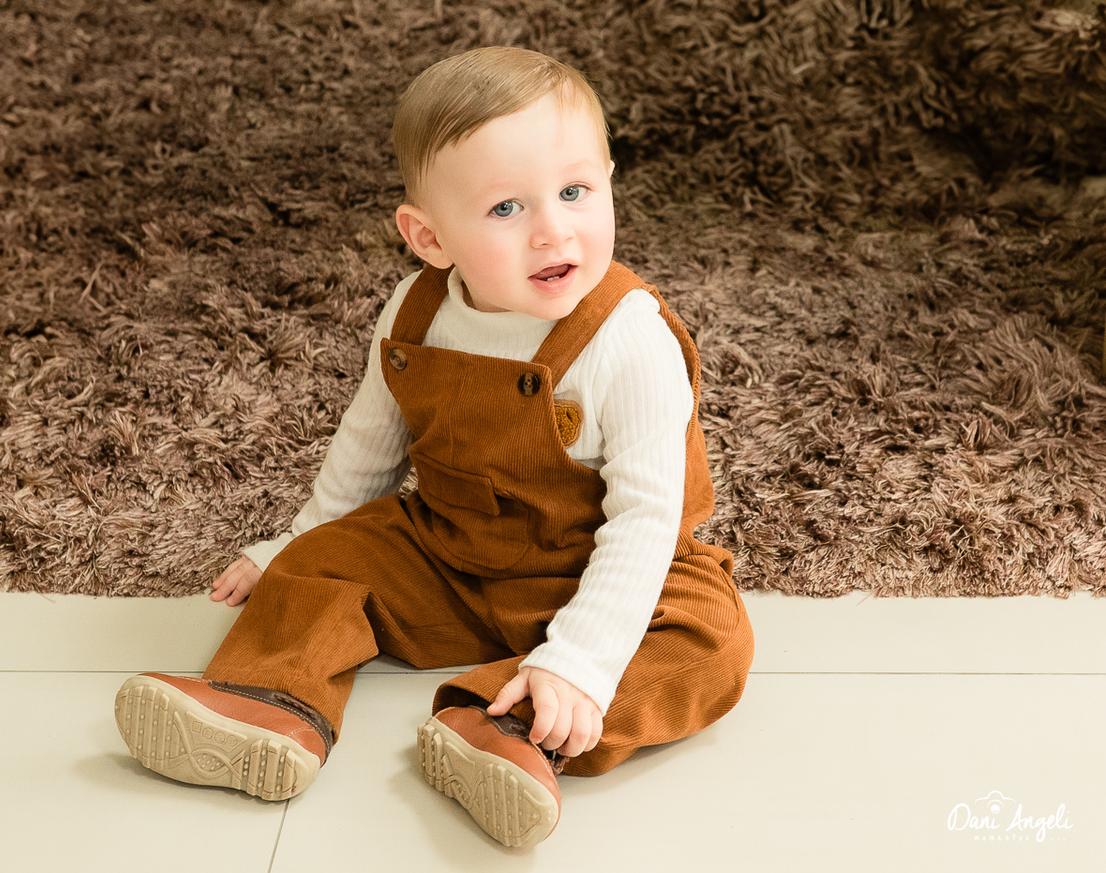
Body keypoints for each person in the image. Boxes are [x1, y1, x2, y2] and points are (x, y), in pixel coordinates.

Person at [114, 45, 754, 849]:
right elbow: (369, 442)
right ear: (429, 236)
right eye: (506, 208)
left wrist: (581, 659)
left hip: (602, 565)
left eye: (575, 191)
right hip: (451, 553)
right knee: (328, 557)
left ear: (608, 180)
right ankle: (270, 700)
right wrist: (295, 542)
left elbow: (645, 520)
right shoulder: (415, 314)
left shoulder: (629, 339)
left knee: (714, 641)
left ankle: (509, 724)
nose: (554, 229)